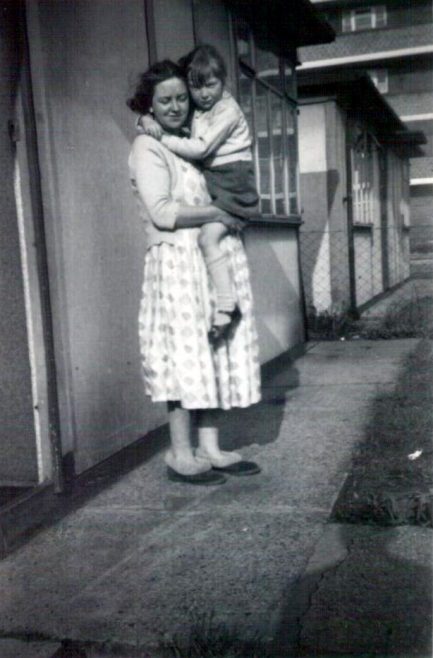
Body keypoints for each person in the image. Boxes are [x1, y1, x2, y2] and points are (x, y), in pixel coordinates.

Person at [127, 60, 261, 485]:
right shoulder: (148, 147)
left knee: (214, 352)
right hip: (177, 264)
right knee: (184, 357)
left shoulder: (193, 139)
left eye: (181, 97)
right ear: (150, 103)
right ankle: (180, 454)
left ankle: (210, 447)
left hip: (208, 262)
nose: (175, 106)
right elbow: (163, 212)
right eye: (164, 100)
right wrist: (222, 212)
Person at [138, 45, 259, 344]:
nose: (202, 95)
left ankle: (228, 308)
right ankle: (227, 308)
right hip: (220, 184)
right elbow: (163, 114)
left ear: (224, 81)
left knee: (208, 239)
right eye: (196, 87)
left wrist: (162, 137)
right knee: (210, 240)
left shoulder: (226, 111)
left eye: (210, 85)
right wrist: (144, 121)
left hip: (233, 184)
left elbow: (201, 147)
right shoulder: (201, 109)